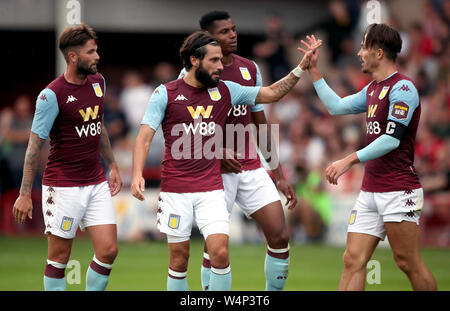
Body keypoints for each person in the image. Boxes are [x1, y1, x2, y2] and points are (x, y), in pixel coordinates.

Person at [131, 30, 320, 291]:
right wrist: (138, 173)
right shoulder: (165, 93)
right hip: (176, 190)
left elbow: (273, 93)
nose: (221, 67)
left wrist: (301, 68)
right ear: (195, 60)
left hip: (211, 189)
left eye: (221, 60)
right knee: (179, 260)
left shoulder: (227, 90)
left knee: (220, 254)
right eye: (214, 61)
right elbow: (143, 138)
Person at [301, 23, 437, 290]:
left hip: (399, 190)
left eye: (364, 47)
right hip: (370, 190)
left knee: (406, 262)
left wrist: (348, 160)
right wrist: (313, 71)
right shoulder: (372, 89)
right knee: (352, 259)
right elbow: (336, 106)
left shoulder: (404, 89)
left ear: (379, 53)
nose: (359, 53)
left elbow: (391, 138)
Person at [188, 11, 297, 291]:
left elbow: (260, 124)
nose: (233, 34)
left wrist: (279, 174)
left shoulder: (250, 69)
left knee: (280, 234)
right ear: (209, 38)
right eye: (224, 31)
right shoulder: (192, 73)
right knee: (216, 249)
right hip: (213, 172)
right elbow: (183, 126)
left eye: (233, 29)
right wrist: (215, 150)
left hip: (249, 166)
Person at [12, 23, 122, 291]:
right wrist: (25, 193)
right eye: (91, 51)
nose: (97, 56)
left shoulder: (99, 82)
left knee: (108, 250)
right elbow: (34, 146)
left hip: (95, 181)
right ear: (73, 57)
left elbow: (100, 125)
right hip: (63, 186)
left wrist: (113, 165)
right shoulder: (51, 95)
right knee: (60, 258)